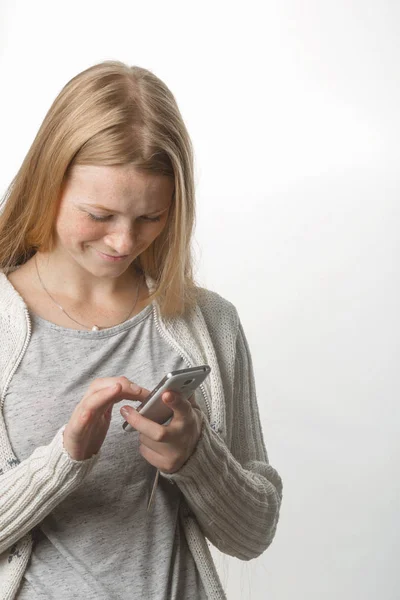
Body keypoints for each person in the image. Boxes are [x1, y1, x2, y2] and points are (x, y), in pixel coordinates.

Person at [0, 60, 283, 600]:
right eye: (100, 214)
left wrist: (195, 456)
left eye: (150, 218)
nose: (124, 242)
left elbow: (252, 534)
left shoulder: (209, 323)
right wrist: (66, 457)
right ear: (47, 182)